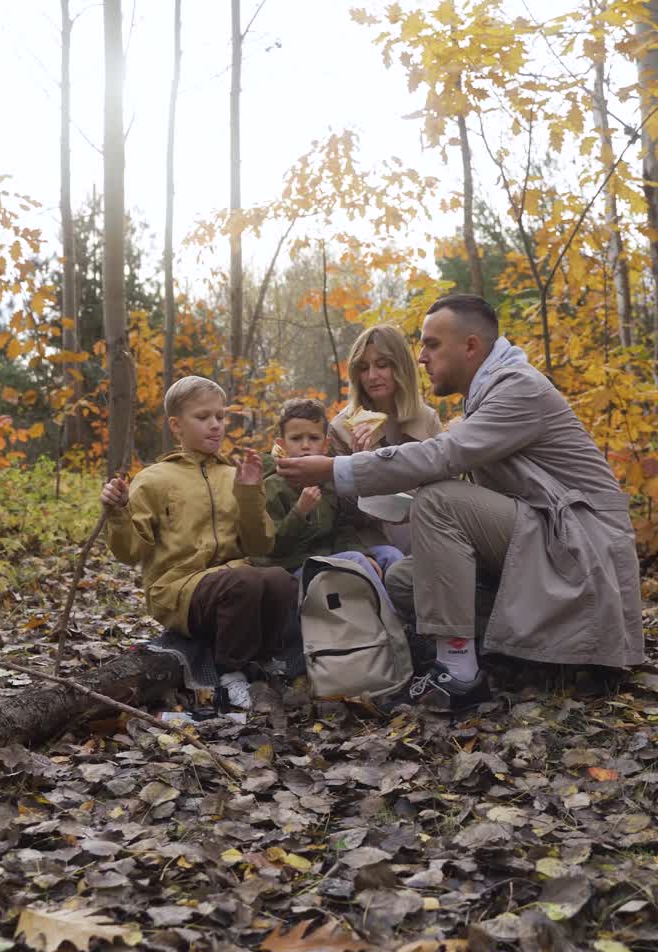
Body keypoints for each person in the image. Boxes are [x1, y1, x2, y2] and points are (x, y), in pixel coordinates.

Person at [276, 294, 644, 713]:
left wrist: (334, 469)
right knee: (403, 580)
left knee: (440, 501)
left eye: (432, 344)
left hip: (582, 544)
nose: (420, 357)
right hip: (546, 537)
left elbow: (440, 458)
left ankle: (458, 674)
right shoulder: (485, 396)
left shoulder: (518, 388)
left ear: (471, 346)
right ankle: (523, 656)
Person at [101, 375, 296, 710]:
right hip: (178, 590)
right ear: (176, 426)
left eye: (220, 417)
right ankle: (229, 674)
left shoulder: (232, 474)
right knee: (244, 581)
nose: (215, 425)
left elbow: (260, 545)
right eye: (203, 417)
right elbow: (130, 552)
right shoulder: (154, 479)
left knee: (279, 579)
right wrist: (118, 512)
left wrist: (250, 493)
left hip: (231, 581)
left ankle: (264, 662)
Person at [260, 397, 403, 593]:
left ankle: (412, 617)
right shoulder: (273, 486)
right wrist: (299, 512)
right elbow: (272, 548)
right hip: (294, 567)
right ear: (281, 444)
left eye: (313, 438)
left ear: (325, 445)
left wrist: (363, 552)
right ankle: (388, 621)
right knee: (357, 561)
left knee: (390, 555)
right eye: (295, 439)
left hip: (331, 555)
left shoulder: (329, 482)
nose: (305, 445)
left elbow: (343, 529)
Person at [328, 323, 442, 564]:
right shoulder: (341, 427)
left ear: (400, 367)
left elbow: (444, 494)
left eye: (382, 365)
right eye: (363, 368)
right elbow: (342, 515)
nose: (371, 376)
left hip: (426, 533)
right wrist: (359, 470)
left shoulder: (427, 419)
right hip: (373, 544)